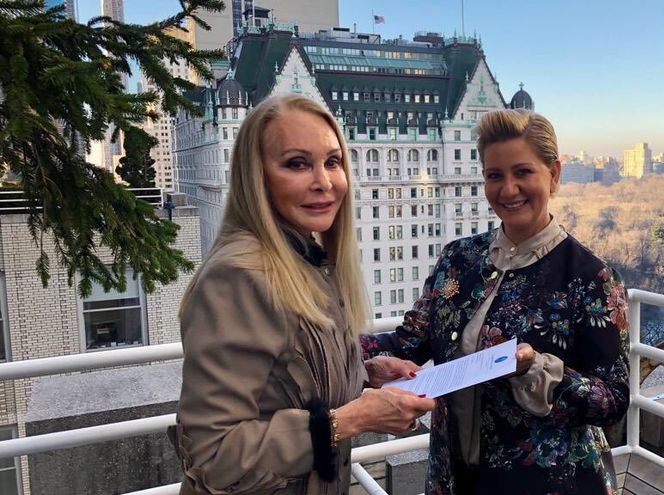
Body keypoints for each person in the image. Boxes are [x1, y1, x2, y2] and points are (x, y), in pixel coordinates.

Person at [170, 94, 435, 495]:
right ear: (257, 178)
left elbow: (283, 381)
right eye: (297, 164)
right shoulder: (238, 276)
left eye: (333, 162)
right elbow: (213, 456)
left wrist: (363, 375)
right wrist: (350, 420)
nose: (324, 183)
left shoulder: (307, 258)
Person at [361, 108, 630, 494]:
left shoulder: (590, 276)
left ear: (554, 174)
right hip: (454, 478)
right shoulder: (459, 258)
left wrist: (535, 369)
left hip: (550, 483)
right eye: (495, 175)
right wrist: (332, 353)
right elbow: (409, 341)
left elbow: (614, 400)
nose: (508, 190)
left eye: (523, 172)